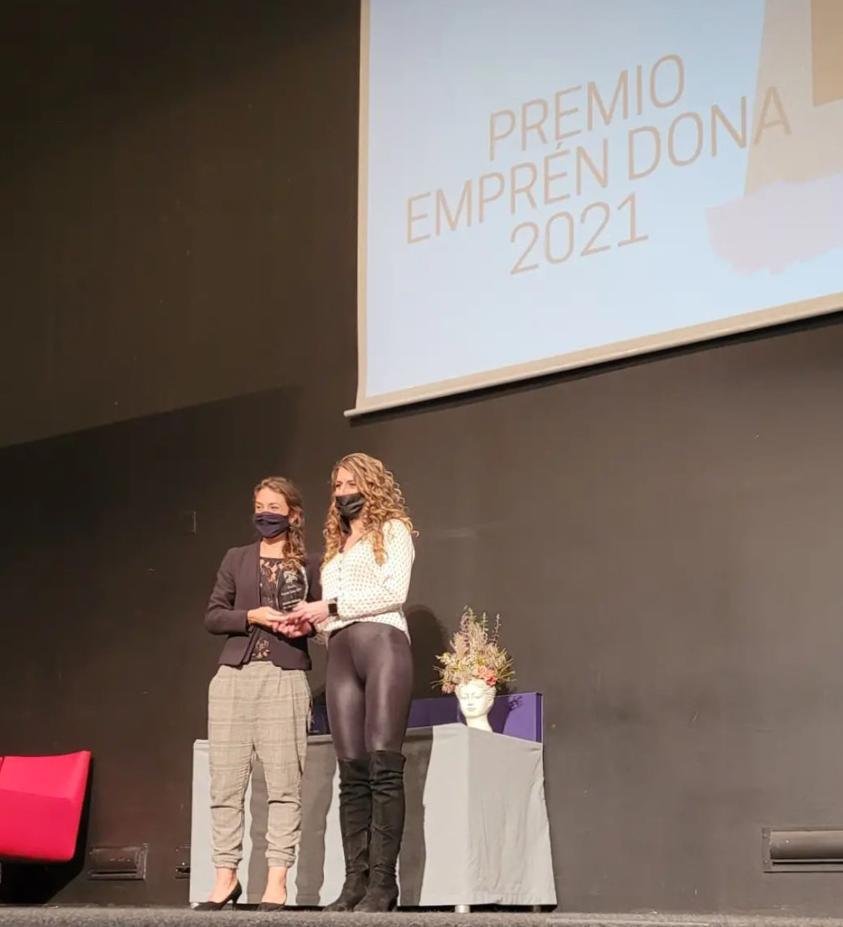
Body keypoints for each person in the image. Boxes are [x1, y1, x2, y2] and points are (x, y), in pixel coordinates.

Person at [289, 452, 415, 912]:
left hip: (383, 645)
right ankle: (354, 884)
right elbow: (332, 615)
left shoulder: (394, 530)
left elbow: (393, 591)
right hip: (340, 651)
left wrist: (330, 606)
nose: (343, 492)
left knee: (384, 766)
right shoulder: (336, 547)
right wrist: (310, 622)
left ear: (371, 483)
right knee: (352, 772)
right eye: (337, 485)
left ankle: (383, 884)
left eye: (350, 483)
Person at [197, 476, 320, 911]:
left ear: (293, 514)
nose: (265, 514)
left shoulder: (310, 563)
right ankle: (225, 878)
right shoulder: (237, 558)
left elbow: (322, 620)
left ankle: (276, 881)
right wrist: (252, 615)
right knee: (225, 785)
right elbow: (214, 616)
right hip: (233, 678)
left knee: (284, 785)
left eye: (274, 507)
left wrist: (304, 625)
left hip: (284, 678)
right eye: (259, 506)